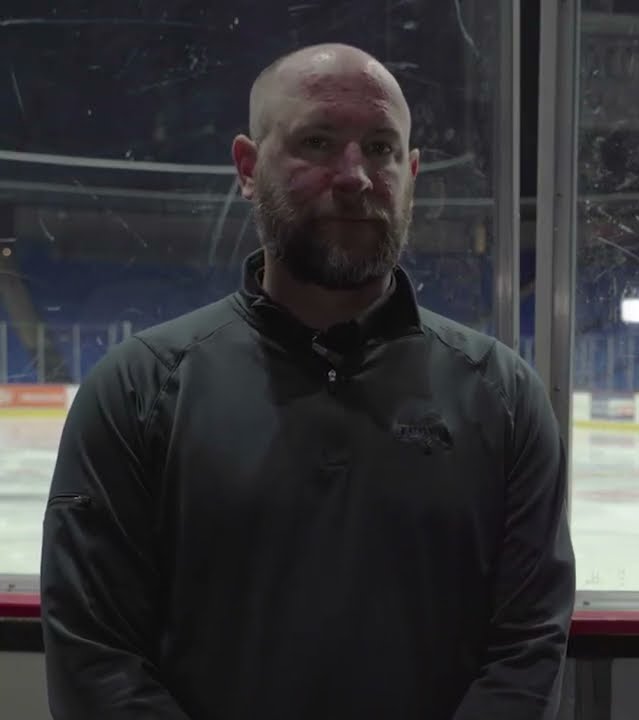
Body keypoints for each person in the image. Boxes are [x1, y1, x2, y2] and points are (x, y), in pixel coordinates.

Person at [40, 43, 574, 719]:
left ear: (410, 173)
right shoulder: (135, 394)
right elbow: (98, 662)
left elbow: (525, 653)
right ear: (245, 166)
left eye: (380, 148)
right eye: (317, 142)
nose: (354, 176)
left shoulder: (505, 398)